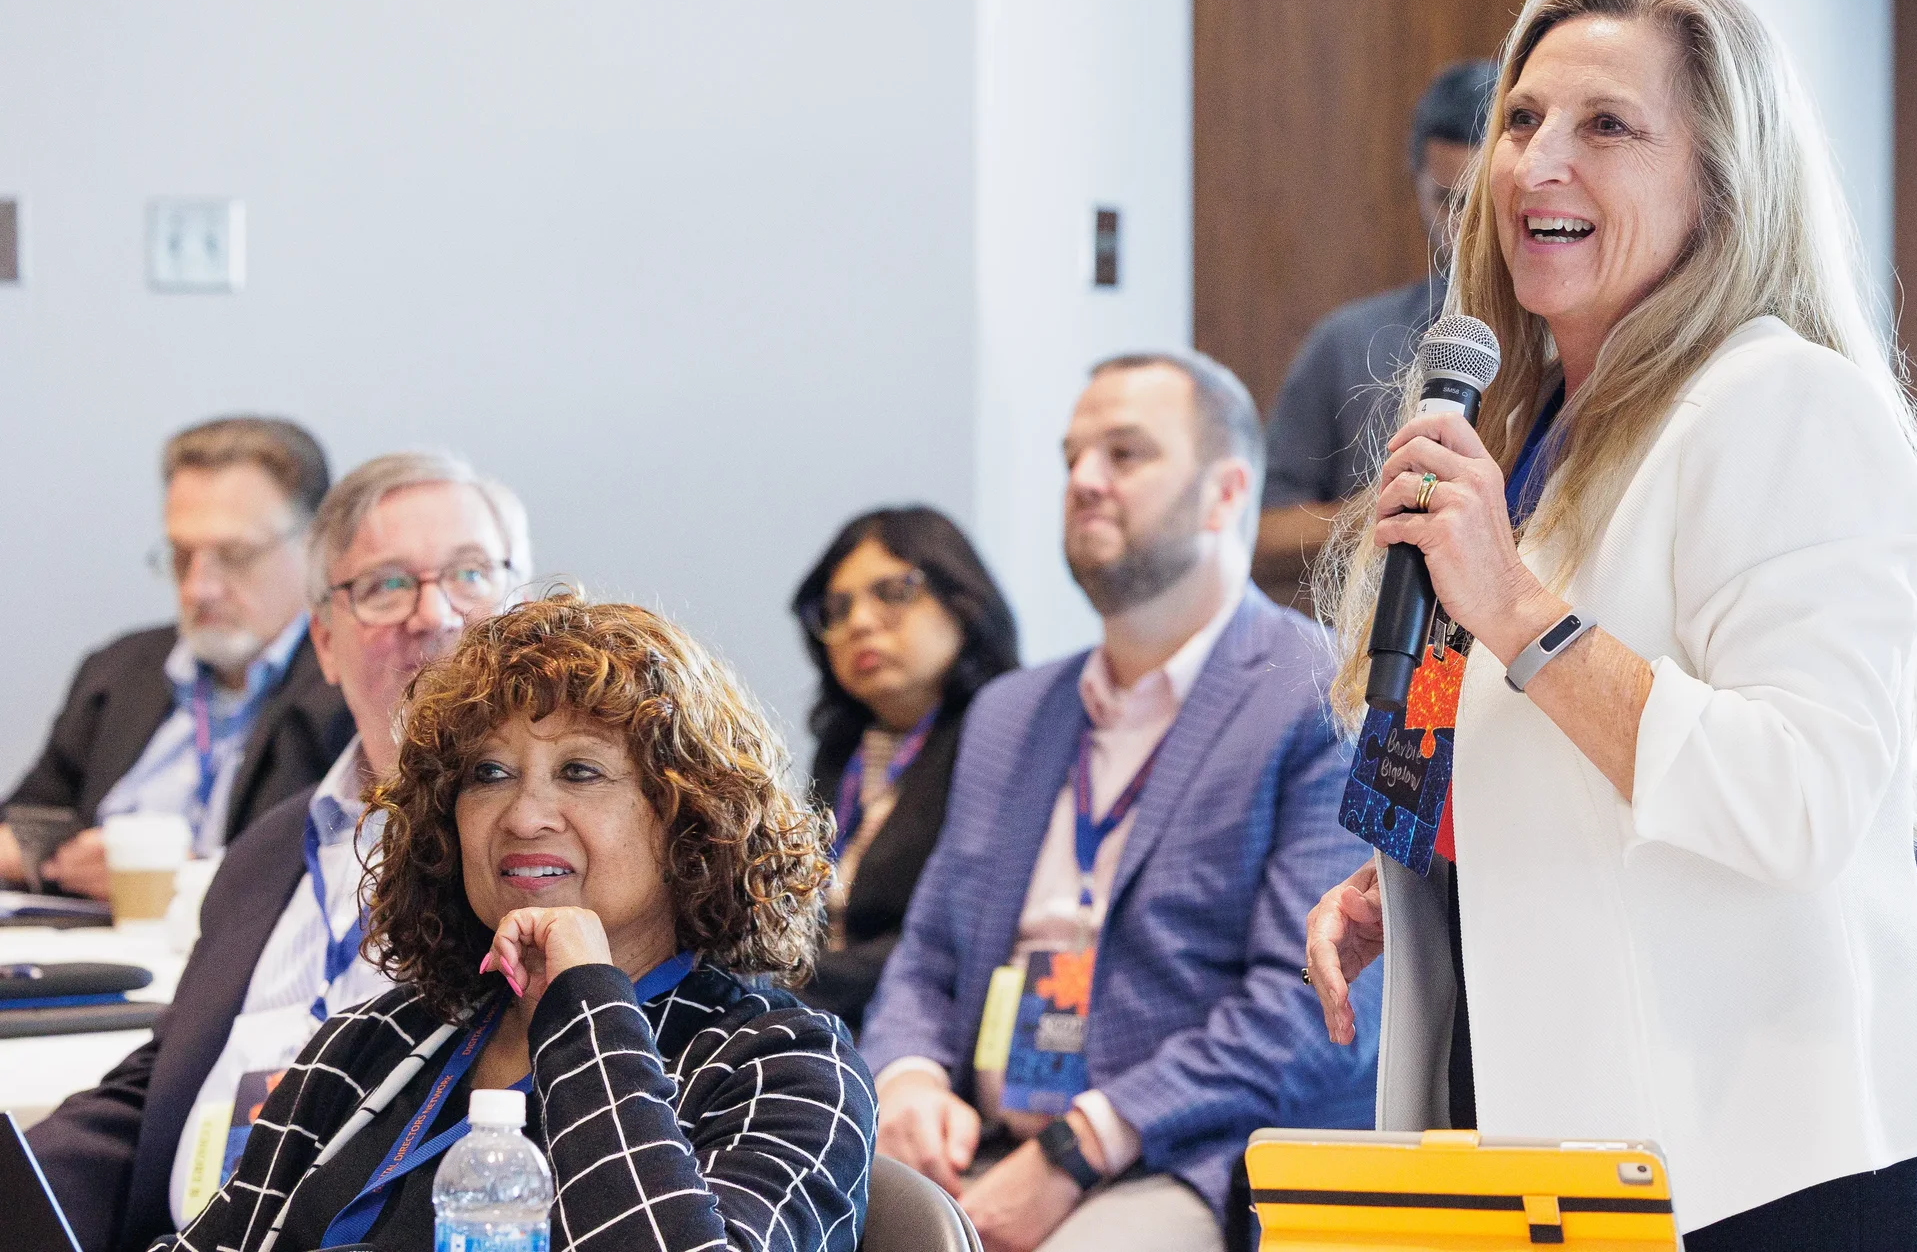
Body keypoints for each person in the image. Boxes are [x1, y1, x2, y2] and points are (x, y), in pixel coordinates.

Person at [1302, 0, 1917, 1246]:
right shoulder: (1535, 428)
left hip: (1768, 1159)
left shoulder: (1785, 404)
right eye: (1521, 121)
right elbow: (1590, 751)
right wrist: (1439, 859)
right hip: (1572, 1143)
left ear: (1724, 186)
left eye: (1606, 127)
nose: (1530, 166)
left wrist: (1512, 604)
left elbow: (1796, 801)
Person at [166, 595, 875, 1252]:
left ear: (691, 820)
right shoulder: (372, 1042)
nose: (524, 815)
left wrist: (586, 1001)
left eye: (580, 771)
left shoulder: (784, 1066)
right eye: (488, 774)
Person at [864, 350, 1377, 1252]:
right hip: (973, 1148)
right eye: (1072, 458)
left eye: (1125, 454)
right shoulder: (1011, 712)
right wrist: (907, 1079)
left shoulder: (1322, 695)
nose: (1084, 482)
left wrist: (1081, 1142)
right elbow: (929, 954)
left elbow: (1311, 1007)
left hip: (1182, 1156)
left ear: (1226, 492)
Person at [30, 451, 530, 1252]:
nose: (433, 613)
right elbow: (170, 1077)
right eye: (387, 584)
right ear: (325, 641)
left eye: (470, 573)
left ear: (521, 609)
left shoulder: (539, 856)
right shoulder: (271, 847)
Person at [3, 416, 349, 898]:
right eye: (182, 556)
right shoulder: (120, 669)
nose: (198, 588)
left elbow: (336, 864)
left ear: (316, 545)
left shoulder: (350, 683)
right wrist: (56, 858)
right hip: (83, 954)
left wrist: (179, 878)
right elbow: (17, 826)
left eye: (234, 555)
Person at [1256, 59, 1498, 600]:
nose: (1465, 229)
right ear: (1415, 186)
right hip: (1367, 651)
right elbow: (1258, 536)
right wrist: (1394, 504)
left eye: (1484, 202)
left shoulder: (1581, 350)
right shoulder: (1348, 342)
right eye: (1447, 201)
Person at [792, 505, 1019, 1029]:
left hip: (925, 1036)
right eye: (838, 608)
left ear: (962, 599)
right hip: (823, 1022)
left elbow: (954, 941)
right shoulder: (842, 750)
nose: (860, 623)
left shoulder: (1004, 739)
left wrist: (773, 986)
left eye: (892, 592)